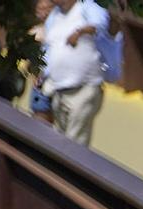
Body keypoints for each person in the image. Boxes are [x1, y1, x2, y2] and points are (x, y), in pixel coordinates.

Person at [39, 0, 107, 145]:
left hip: (84, 88)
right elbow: (49, 46)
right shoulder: (54, 15)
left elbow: (100, 25)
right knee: (61, 140)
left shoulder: (87, 6)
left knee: (74, 142)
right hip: (59, 89)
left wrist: (79, 32)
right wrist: (42, 71)